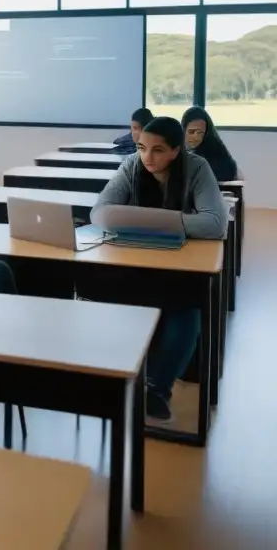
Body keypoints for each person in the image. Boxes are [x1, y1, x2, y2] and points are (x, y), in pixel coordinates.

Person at [91, 116, 227, 423]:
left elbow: (215, 224)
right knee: (111, 288)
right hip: (136, 257)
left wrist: (146, 219)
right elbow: (100, 211)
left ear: (177, 150)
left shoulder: (198, 168)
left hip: (183, 260)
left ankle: (158, 388)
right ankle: (122, 375)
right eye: (142, 148)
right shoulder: (131, 165)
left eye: (158, 150)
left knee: (184, 303)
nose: (147, 157)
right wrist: (174, 221)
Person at [181, 106, 239, 182]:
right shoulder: (176, 149)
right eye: (191, 132)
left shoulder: (215, 156)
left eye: (200, 132)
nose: (196, 137)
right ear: (183, 130)